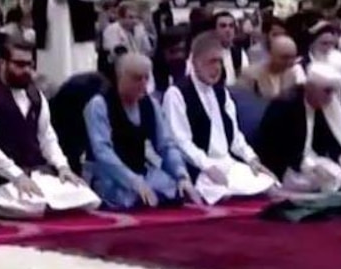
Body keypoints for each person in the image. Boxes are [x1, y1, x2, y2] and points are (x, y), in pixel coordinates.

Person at [0, 37, 100, 218]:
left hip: (36, 174)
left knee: (87, 196)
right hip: (1, 179)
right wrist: (17, 175)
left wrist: (63, 167)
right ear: (3, 63)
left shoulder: (36, 96)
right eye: (20, 65)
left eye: (30, 65)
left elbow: (47, 138)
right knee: (33, 204)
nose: (26, 70)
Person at [162, 31, 276, 204]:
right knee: (224, 196)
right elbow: (181, 141)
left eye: (220, 62)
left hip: (227, 164)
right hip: (198, 169)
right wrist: (207, 166)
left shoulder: (221, 92)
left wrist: (251, 158)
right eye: (211, 62)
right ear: (194, 62)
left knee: (269, 186)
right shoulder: (176, 93)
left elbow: (235, 135)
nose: (216, 68)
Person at [83, 53, 197, 210]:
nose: (143, 84)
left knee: (175, 191)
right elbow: (102, 152)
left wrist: (181, 175)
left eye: (146, 78)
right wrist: (133, 181)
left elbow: (166, 145)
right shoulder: (99, 105)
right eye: (137, 79)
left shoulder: (150, 104)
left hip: (141, 172)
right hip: (108, 177)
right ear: (120, 77)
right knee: (131, 199)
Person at [255, 59, 341, 194]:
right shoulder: (285, 106)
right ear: (310, 88)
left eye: (333, 92)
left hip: (314, 161)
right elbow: (278, 148)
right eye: (327, 91)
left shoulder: (327, 107)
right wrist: (310, 166)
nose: (331, 97)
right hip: (286, 167)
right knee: (332, 177)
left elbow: (334, 140)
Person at [238, 34, 303, 99]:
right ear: (271, 55)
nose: (290, 62)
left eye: (293, 57)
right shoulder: (250, 75)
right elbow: (242, 100)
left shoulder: (291, 74)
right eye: (285, 58)